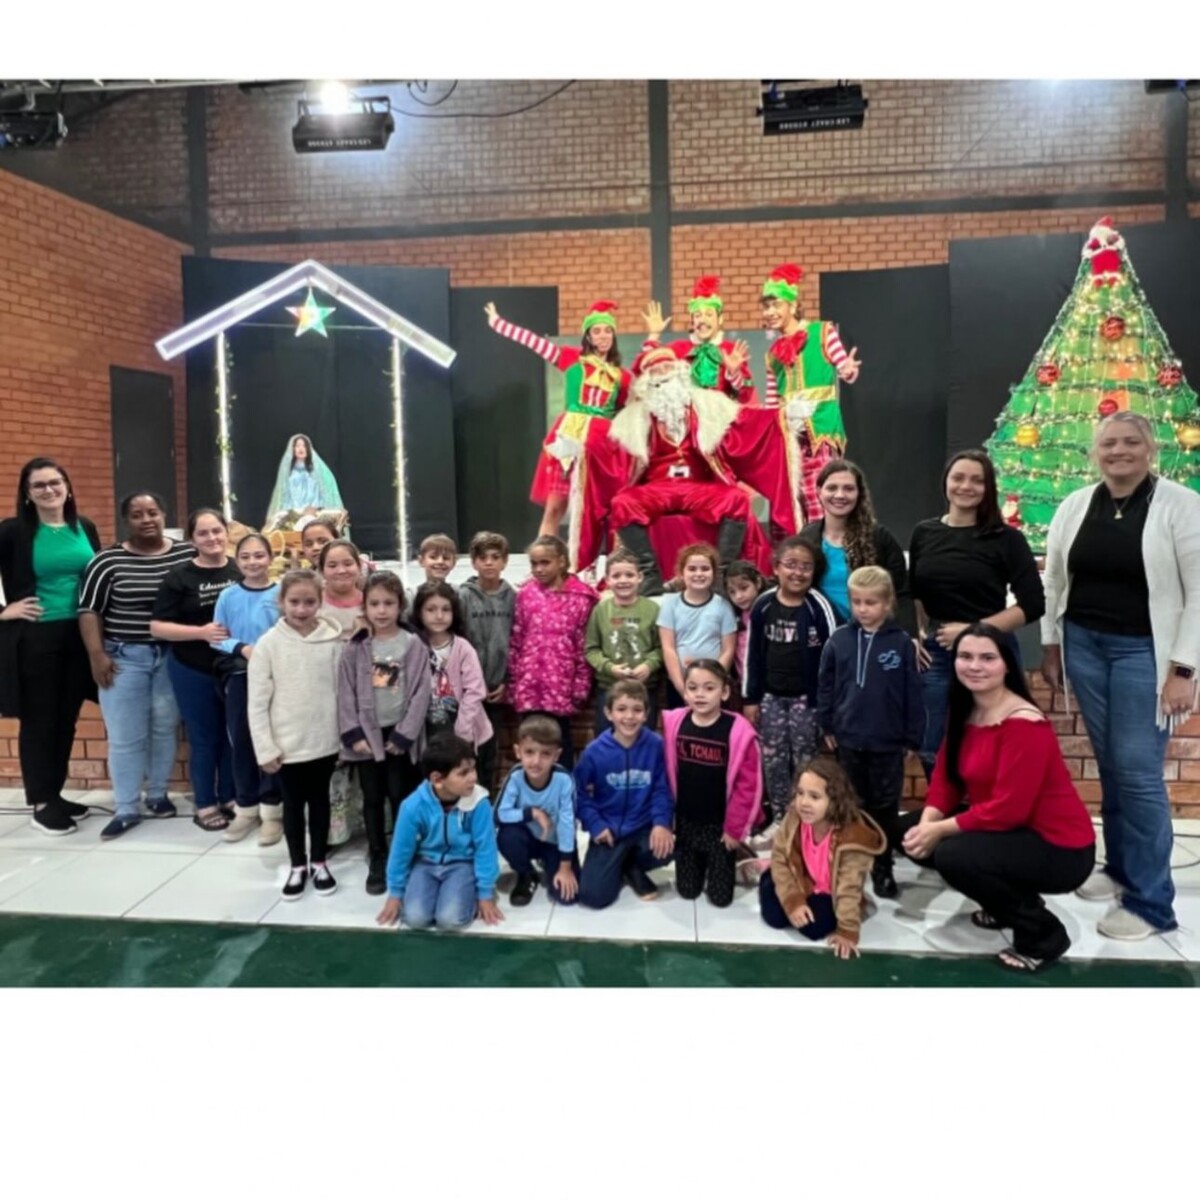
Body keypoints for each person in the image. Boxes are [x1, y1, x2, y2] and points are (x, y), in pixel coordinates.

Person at [1041, 412, 1200, 941]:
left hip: (1146, 654)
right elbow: (1055, 578)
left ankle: (1152, 903)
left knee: (1137, 772)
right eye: (1109, 443)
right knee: (1111, 764)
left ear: (1150, 448)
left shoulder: (1181, 505)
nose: (1119, 451)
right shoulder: (1076, 504)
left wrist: (1184, 668)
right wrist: (1051, 644)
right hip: (1085, 645)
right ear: (1095, 451)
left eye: (1131, 441)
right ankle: (1121, 870)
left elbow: (1199, 592)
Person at [902, 624, 1096, 974]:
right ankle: (1005, 903)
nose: (974, 666)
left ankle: (1044, 937)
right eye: (965, 656)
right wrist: (929, 822)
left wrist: (940, 830)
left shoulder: (1024, 724)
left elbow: (1010, 810)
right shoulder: (965, 709)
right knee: (909, 831)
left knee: (953, 856)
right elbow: (946, 777)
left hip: (1060, 847)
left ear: (1007, 664)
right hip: (1012, 830)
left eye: (987, 658)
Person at [577, 347, 800, 591]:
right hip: (657, 488)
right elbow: (608, 448)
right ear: (646, 381)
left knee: (736, 499)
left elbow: (745, 421)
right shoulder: (634, 418)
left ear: (680, 371)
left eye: (668, 367)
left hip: (696, 486)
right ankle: (650, 574)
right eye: (656, 370)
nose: (664, 373)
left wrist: (782, 416)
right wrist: (580, 445)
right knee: (622, 503)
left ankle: (721, 573)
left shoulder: (708, 405)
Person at [908, 449, 1045, 777]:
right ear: (946, 482)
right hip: (937, 650)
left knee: (994, 739)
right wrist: (916, 633)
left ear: (988, 488)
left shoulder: (1007, 539)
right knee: (931, 743)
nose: (966, 486)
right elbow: (914, 594)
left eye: (976, 480)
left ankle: (988, 807)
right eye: (958, 478)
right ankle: (945, 806)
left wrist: (973, 630)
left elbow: (1033, 604)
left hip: (990, 650)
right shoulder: (924, 533)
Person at [75, 492, 193, 839]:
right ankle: (126, 807)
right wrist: (97, 655)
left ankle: (157, 795)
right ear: (126, 520)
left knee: (163, 729)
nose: (146, 520)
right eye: (137, 514)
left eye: (152, 512)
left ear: (164, 515)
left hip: (172, 657)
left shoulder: (185, 554)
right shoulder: (106, 561)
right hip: (124, 658)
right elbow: (89, 610)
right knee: (126, 737)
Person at [0, 458, 101, 835]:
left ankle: (55, 794)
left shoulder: (84, 527)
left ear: (67, 486)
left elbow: (97, 578)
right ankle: (42, 803)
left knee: (65, 718)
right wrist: (3, 610)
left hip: (79, 634)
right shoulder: (13, 531)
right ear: (27, 494)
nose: (49, 490)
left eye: (55, 482)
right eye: (39, 485)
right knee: (40, 720)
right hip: (36, 637)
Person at [818, 565, 924, 898]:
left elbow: (913, 692)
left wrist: (912, 736)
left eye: (871, 602)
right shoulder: (838, 640)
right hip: (848, 739)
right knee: (851, 803)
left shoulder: (901, 644)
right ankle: (851, 861)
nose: (863, 609)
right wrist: (826, 723)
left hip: (887, 742)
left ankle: (882, 866)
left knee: (885, 806)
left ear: (888, 603)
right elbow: (826, 685)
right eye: (857, 602)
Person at [485, 299, 631, 539]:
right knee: (555, 507)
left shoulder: (621, 376)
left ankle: (600, 560)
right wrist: (499, 324)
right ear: (588, 336)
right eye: (596, 331)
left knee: (601, 510)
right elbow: (534, 342)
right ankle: (545, 555)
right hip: (570, 437)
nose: (603, 336)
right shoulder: (572, 359)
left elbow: (622, 412)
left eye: (608, 330)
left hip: (600, 443)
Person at [247, 569, 344, 900]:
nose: (301, 609)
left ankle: (319, 861)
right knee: (292, 805)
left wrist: (342, 739)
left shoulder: (332, 642)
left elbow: (341, 693)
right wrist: (265, 748)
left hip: (325, 742)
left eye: (309, 602)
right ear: (281, 601)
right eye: (294, 602)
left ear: (320, 602)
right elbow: (257, 703)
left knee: (320, 802)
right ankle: (297, 865)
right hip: (287, 746)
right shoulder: (268, 645)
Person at [338, 571, 431, 895]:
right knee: (373, 797)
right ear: (364, 606)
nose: (381, 610)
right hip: (368, 737)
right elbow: (346, 692)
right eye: (374, 603)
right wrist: (353, 734)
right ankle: (377, 854)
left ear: (400, 605)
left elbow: (421, 691)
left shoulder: (412, 644)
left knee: (400, 796)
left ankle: (404, 851)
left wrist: (405, 735)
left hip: (399, 737)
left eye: (388, 603)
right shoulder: (356, 647)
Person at [149, 508, 241, 831]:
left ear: (226, 532)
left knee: (231, 735)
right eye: (203, 533)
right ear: (192, 540)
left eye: (216, 531)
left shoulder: (238, 568)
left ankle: (230, 795)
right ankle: (205, 803)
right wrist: (201, 633)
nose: (212, 538)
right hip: (192, 668)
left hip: (232, 667)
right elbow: (157, 627)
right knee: (204, 739)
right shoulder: (179, 577)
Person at [743, 536, 838, 832]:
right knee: (773, 760)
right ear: (776, 568)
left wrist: (827, 706)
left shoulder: (819, 607)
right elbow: (752, 654)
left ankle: (805, 820)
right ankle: (781, 818)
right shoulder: (763, 604)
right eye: (791, 565)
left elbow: (833, 659)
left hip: (807, 701)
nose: (798, 573)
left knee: (805, 761)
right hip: (770, 698)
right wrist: (751, 698)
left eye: (806, 567)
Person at [759, 263, 862, 522]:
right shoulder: (772, 355)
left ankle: (827, 543)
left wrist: (848, 369)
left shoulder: (822, 332)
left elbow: (844, 366)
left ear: (793, 305)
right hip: (790, 436)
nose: (770, 312)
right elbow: (771, 403)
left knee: (821, 497)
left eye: (776, 304)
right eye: (766, 306)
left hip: (821, 431)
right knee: (793, 500)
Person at [759, 756, 885, 959]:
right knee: (775, 917)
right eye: (800, 793)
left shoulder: (853, 837)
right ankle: (778, 888)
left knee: (813, 928)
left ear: (834, 800)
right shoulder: (794, 817)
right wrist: (793, 901)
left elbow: (848, 888)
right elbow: (780, 858)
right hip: (801, 879)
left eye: (815, 797)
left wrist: (848, 930)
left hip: (831, 892)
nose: (804, 803)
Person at [376, 734, 504, 931]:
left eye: (473, 769)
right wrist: (395, 892)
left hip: (463, 864)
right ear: (437, 779)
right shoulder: (413, 806)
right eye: (463, 773)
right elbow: (400, 851)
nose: (473, 777)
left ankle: (470, 891)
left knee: (450, 920)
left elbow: (485, 849)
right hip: (425, 864)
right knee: (416, 919)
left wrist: (484, 893)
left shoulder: (480, 803)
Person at [661, 661, 763, 909]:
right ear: (685, 691)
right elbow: (666, 775)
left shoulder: (738, 732)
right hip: (686, 823)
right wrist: (667, 820)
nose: (700, 694)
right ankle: (701, 861)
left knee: (720, 899)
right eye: (693, 687)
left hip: (720, 827)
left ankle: (736, 854)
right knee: (687, 891)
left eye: (709, 688)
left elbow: (747, 788)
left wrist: (734, 830)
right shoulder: (675, 724)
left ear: (724, 692)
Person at [574, 680, 675, 908]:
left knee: (672, 848)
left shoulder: (656, 745)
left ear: (646, 714)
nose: (629, 717)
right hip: (609, 832)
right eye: (621, 709)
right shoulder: (594, 752)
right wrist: (596, 824)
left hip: (643, 827)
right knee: (593, 897)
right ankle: (624, 865)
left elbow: (662, 788)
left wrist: (661, 823)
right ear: (608, 713)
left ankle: (631, 865)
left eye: (637, 710)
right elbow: (577, 793)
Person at [212, 533, 282, 843]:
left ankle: (272, 811)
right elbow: (217, 637)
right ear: (237, 561)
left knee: (272, 740)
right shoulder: (228, 596)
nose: (253, 562)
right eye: (245, 557)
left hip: (276, 677)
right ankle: (246, 808)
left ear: (270, 558)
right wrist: (241, 648)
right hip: (240, 676)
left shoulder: (281, 593)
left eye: (259, 555)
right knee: (241, 740)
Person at [508, 535, 596, 769]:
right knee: (529, 740)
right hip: (530, 685)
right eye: (534, 563)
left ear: (562, 561)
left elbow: (584, 645)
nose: (538, 569)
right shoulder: (525, 594)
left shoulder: (582, 597)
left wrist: (581, 686)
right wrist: (514, 682)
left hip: (562, 686)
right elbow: (517, 640)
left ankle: (564, 787)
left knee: (560, 743)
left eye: (545, 562)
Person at [800, 458, 913, 629]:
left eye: (848, 488)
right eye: (832, 488)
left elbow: (901, 593)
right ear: (819, 492)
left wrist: (911, 634)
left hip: (872, 635)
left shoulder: (879, 538)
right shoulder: (807, 538)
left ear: (859, 493)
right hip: (821, 635)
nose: (840, 495)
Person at [495, 715, 581, 906]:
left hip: (556, 843)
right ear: (518, 752)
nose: (536, 761)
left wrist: (565, 867)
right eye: (529, 752)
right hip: (528, 837)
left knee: (567, 898)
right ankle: (526, 874)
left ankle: (551, 862)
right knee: (506, 836)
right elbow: (500, 814)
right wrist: (532, 813)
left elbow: (568, 824)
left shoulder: (564, 780)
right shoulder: (515, 777)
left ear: (556, 755)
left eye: (545, 754)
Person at [459, 530, 515, 796]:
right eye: (483, 558)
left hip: (496, 688)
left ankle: (486, 800)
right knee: (466, 748)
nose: (489, 563)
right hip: (468, 688)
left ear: (505, 561)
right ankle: (465, 799)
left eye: (495, 557)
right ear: (473, 562)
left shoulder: (513, 597)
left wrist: (507, 681)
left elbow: (517, 640)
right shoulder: (463, 596)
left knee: (490, 750)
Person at [639, 276, 755, 402]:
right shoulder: (678, 349)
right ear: (692, 321)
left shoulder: (731, 351)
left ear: (720, 319)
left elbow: (745, 396)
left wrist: (734, 373)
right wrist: (654, 334)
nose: (702, 320)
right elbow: (648, 372)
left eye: (709, 314)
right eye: (698, 315)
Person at [585, 548, 663, 733]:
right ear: (608, 579)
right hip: (609, 688)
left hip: (644, 689)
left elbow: (662, 648)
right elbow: (591, 649)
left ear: (640, 577)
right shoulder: (600, 610)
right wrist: (610, 667)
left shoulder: (653, 609)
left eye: (629, 575)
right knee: (606, 738)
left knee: (643, 739)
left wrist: (648, 666)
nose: (623, 580)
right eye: (616, 576)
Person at [412, 582, 493, 753]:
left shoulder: (463, 648)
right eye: (431, 609)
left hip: (462, 732)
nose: (439, 616)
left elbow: (475, 691)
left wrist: (462, 732)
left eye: (446, 609)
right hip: (426, 734)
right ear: (419, 612)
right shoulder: (414, 646)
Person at [657, 543, 738, 709]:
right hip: (680, 683)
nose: (699, 574)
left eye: (705, 569)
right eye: (692, 569)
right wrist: (682, 688)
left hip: (713, 688)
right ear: (681, 573)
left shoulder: (723, 606)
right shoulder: (670, 604)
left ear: (714, 573)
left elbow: (728, 649)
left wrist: (714, 682)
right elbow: (668, 648)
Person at [263, 433, 346, 532]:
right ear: (293, 449)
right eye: (297, 446)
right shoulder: (288, 473)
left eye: (304, 445)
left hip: (313, 514)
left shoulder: (318, 471)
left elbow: (327, 491)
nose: (301, 449)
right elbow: (283, 495)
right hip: (293, 517)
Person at [724, 559, 767, 709]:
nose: (739, 596)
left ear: (758, 583)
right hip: (743, 686)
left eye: (744, 588)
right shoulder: (734, 615)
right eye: (732, 592)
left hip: (767, 687)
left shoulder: (767, 611)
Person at [316, 538, 365, 639]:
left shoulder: (372, 603)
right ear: (321, 570)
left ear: (359, 566)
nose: (341, 571)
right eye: (332, 566)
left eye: (348, 564)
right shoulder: (313, 605)